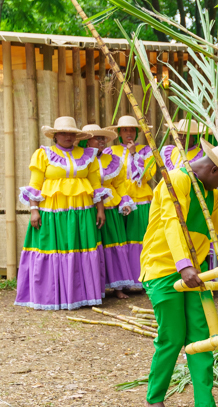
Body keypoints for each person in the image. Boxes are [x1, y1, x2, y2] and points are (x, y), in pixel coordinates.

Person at [140, 142, 218, 407]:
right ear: (213, 169)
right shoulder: (176, 180)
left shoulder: (211, 193)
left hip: (194, 274)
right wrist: (183, 265)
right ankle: (155, 397)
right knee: (172, 337)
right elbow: (172, 224)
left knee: (201, 338)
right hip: (164, 270)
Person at [15, 117, 107, 310]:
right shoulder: (43, 154)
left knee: (80, 249)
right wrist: (34, 210)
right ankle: (52, 296)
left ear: (76, 136)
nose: (67, 136)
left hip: (82, 212)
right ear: (55, 135)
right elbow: (34, 186)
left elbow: (96, 186)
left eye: (71, 133)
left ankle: (81, 295)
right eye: (63, 133)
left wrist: (100, 210)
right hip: (53, 213)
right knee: (54, 249)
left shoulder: (87, 154)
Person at [83, 124, 141, 298]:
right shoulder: (80, 158)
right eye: (96, 138)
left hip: (110, 206)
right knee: (94, 247)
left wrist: (125, 201)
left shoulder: (113, 160)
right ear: (87, 141)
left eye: (103, 138)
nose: (101, 141)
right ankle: (95, 287)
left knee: (114, 245)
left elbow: (120, 184)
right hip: (89, 207)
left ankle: (118, 288)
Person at [108, 114, 157, 250]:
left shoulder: (146, 151)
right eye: (125, 130)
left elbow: (147, 175)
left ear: (137, 133)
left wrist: (134, 153)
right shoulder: (111, 151)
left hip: (139, 200)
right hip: (118, 201)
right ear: (119, 133)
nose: (129, 133)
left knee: (140, 239)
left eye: (132, 130)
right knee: (121, 240)